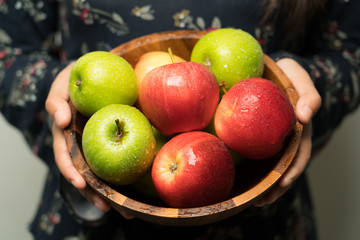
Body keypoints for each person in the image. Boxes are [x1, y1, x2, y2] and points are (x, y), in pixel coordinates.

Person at [0, 0, 359, 239]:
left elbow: (351, 53)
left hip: (263, 217)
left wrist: (293, 86)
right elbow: (6, 52)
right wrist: (59, 92)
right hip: (92, 222)